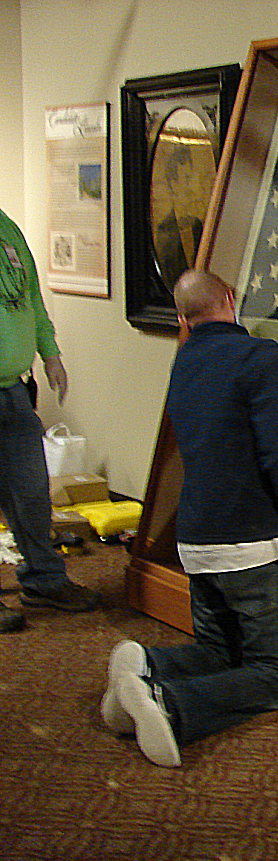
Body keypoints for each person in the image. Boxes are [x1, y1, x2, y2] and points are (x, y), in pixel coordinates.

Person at [100, 269, 278, 766]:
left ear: (182, 318)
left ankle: (145, 668)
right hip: (253, 542)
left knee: (218, 651)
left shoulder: (186, 360)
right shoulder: (262, 358)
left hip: (196, 536)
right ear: (231, 299)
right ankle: (167, 704)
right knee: (274, 675)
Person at [0, 207, 100, 633]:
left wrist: (51, 354)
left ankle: (44, 580)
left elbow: (32, 300)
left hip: (13, 390)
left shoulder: (7, 227)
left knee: (31, 491)